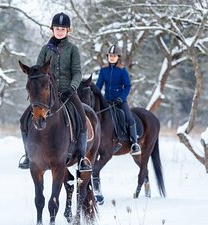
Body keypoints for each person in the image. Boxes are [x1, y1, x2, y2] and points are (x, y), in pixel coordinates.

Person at [18, 12, 92, 171]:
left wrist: (72, 87)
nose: (60, 31)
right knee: (24, 120)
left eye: (63, 29)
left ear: (68, 31)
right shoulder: (46, 49)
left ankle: (81, 157)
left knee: (82, 118)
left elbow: (77, 72)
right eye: (57, 28)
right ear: (52, 29)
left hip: (68, 91)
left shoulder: (73, 49)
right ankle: (27, 155)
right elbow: (37, 71)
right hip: (46, 94)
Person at [96, 45, 141, 155]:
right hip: (106, 101)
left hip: (120, 101)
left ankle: (134, 143)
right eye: (110, 55)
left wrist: (121, 98)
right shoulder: (103, 70)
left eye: (114, 56)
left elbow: (127, 86)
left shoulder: (122, 70)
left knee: (129, 117)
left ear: (118, 57)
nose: (112, 57)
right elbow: (98, 86)